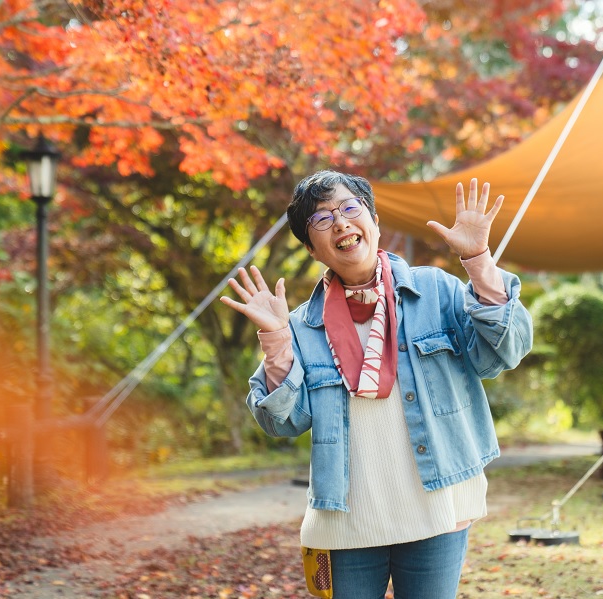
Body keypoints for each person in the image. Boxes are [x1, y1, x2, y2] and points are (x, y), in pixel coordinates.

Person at [220, 170, 532, 599]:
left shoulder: (435, 290)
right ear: (312, 249)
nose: (342, 223)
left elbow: (503, 351)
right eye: (322, 220)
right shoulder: (299, 328)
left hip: (437, 508)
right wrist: (275, 342)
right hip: (346, 522)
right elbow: (284, 423)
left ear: (374, 221)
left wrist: (478, 259)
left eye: (350, 208)